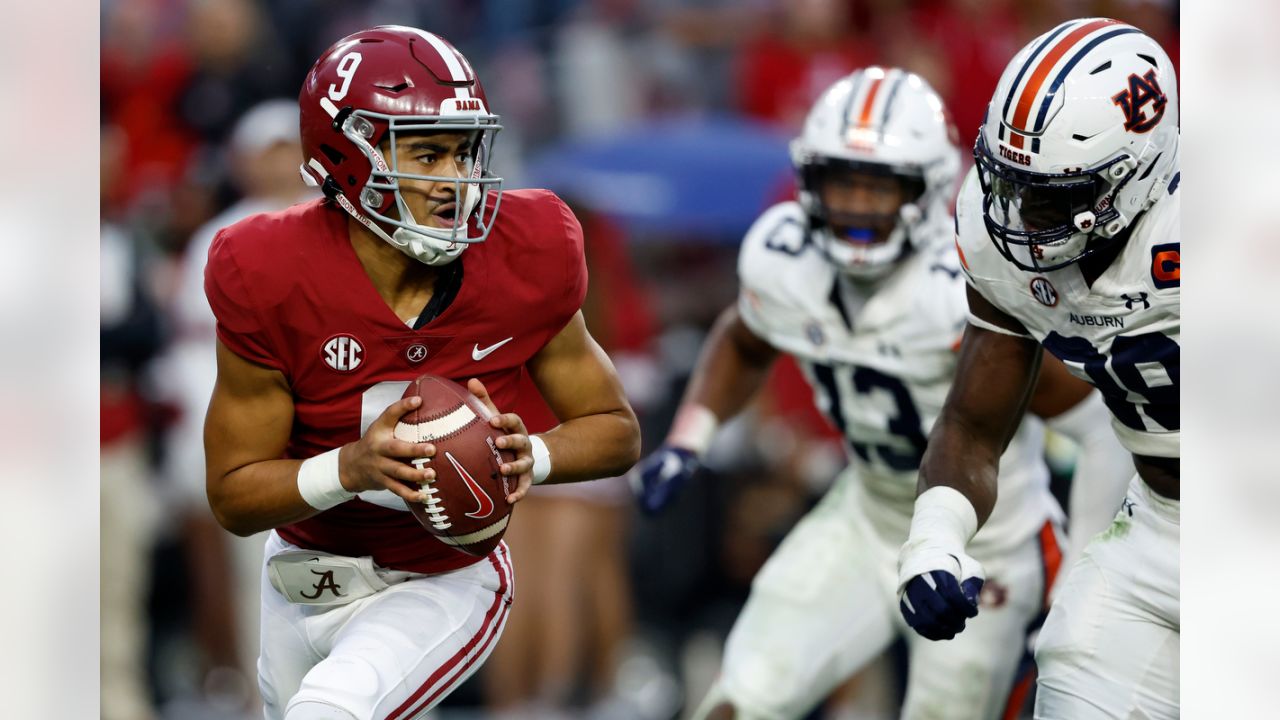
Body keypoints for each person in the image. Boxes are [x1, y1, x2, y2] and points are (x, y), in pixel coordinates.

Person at [632, 67, 1130, 719]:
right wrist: (689, 438)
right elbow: (744, 337)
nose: (857, 208)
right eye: (842, 184)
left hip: (989, 547)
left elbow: (1097, 423)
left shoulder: (960, 291)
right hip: (866, 512)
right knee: (739, 699)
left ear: (928, 191)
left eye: (879, 187)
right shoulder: (783, 259)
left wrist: (1082, 586)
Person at [202, 25, 641, 720]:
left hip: (446, 577)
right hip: (301, 576)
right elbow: (231, 495)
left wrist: (536, 455)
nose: (456, 181)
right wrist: (352, 467)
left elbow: (617, 429)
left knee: (329, 713)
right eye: (428, 154)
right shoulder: (266, 270)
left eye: (465, 152)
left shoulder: (529, 249)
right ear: (344, 158)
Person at [895, 18, 1179, 719]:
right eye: (1012, 182)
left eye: (1055, 196)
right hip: (1159, 526)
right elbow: (973, 420)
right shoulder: (999, 242)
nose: (1020, 215)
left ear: (1138, 175)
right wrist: (934, 537)